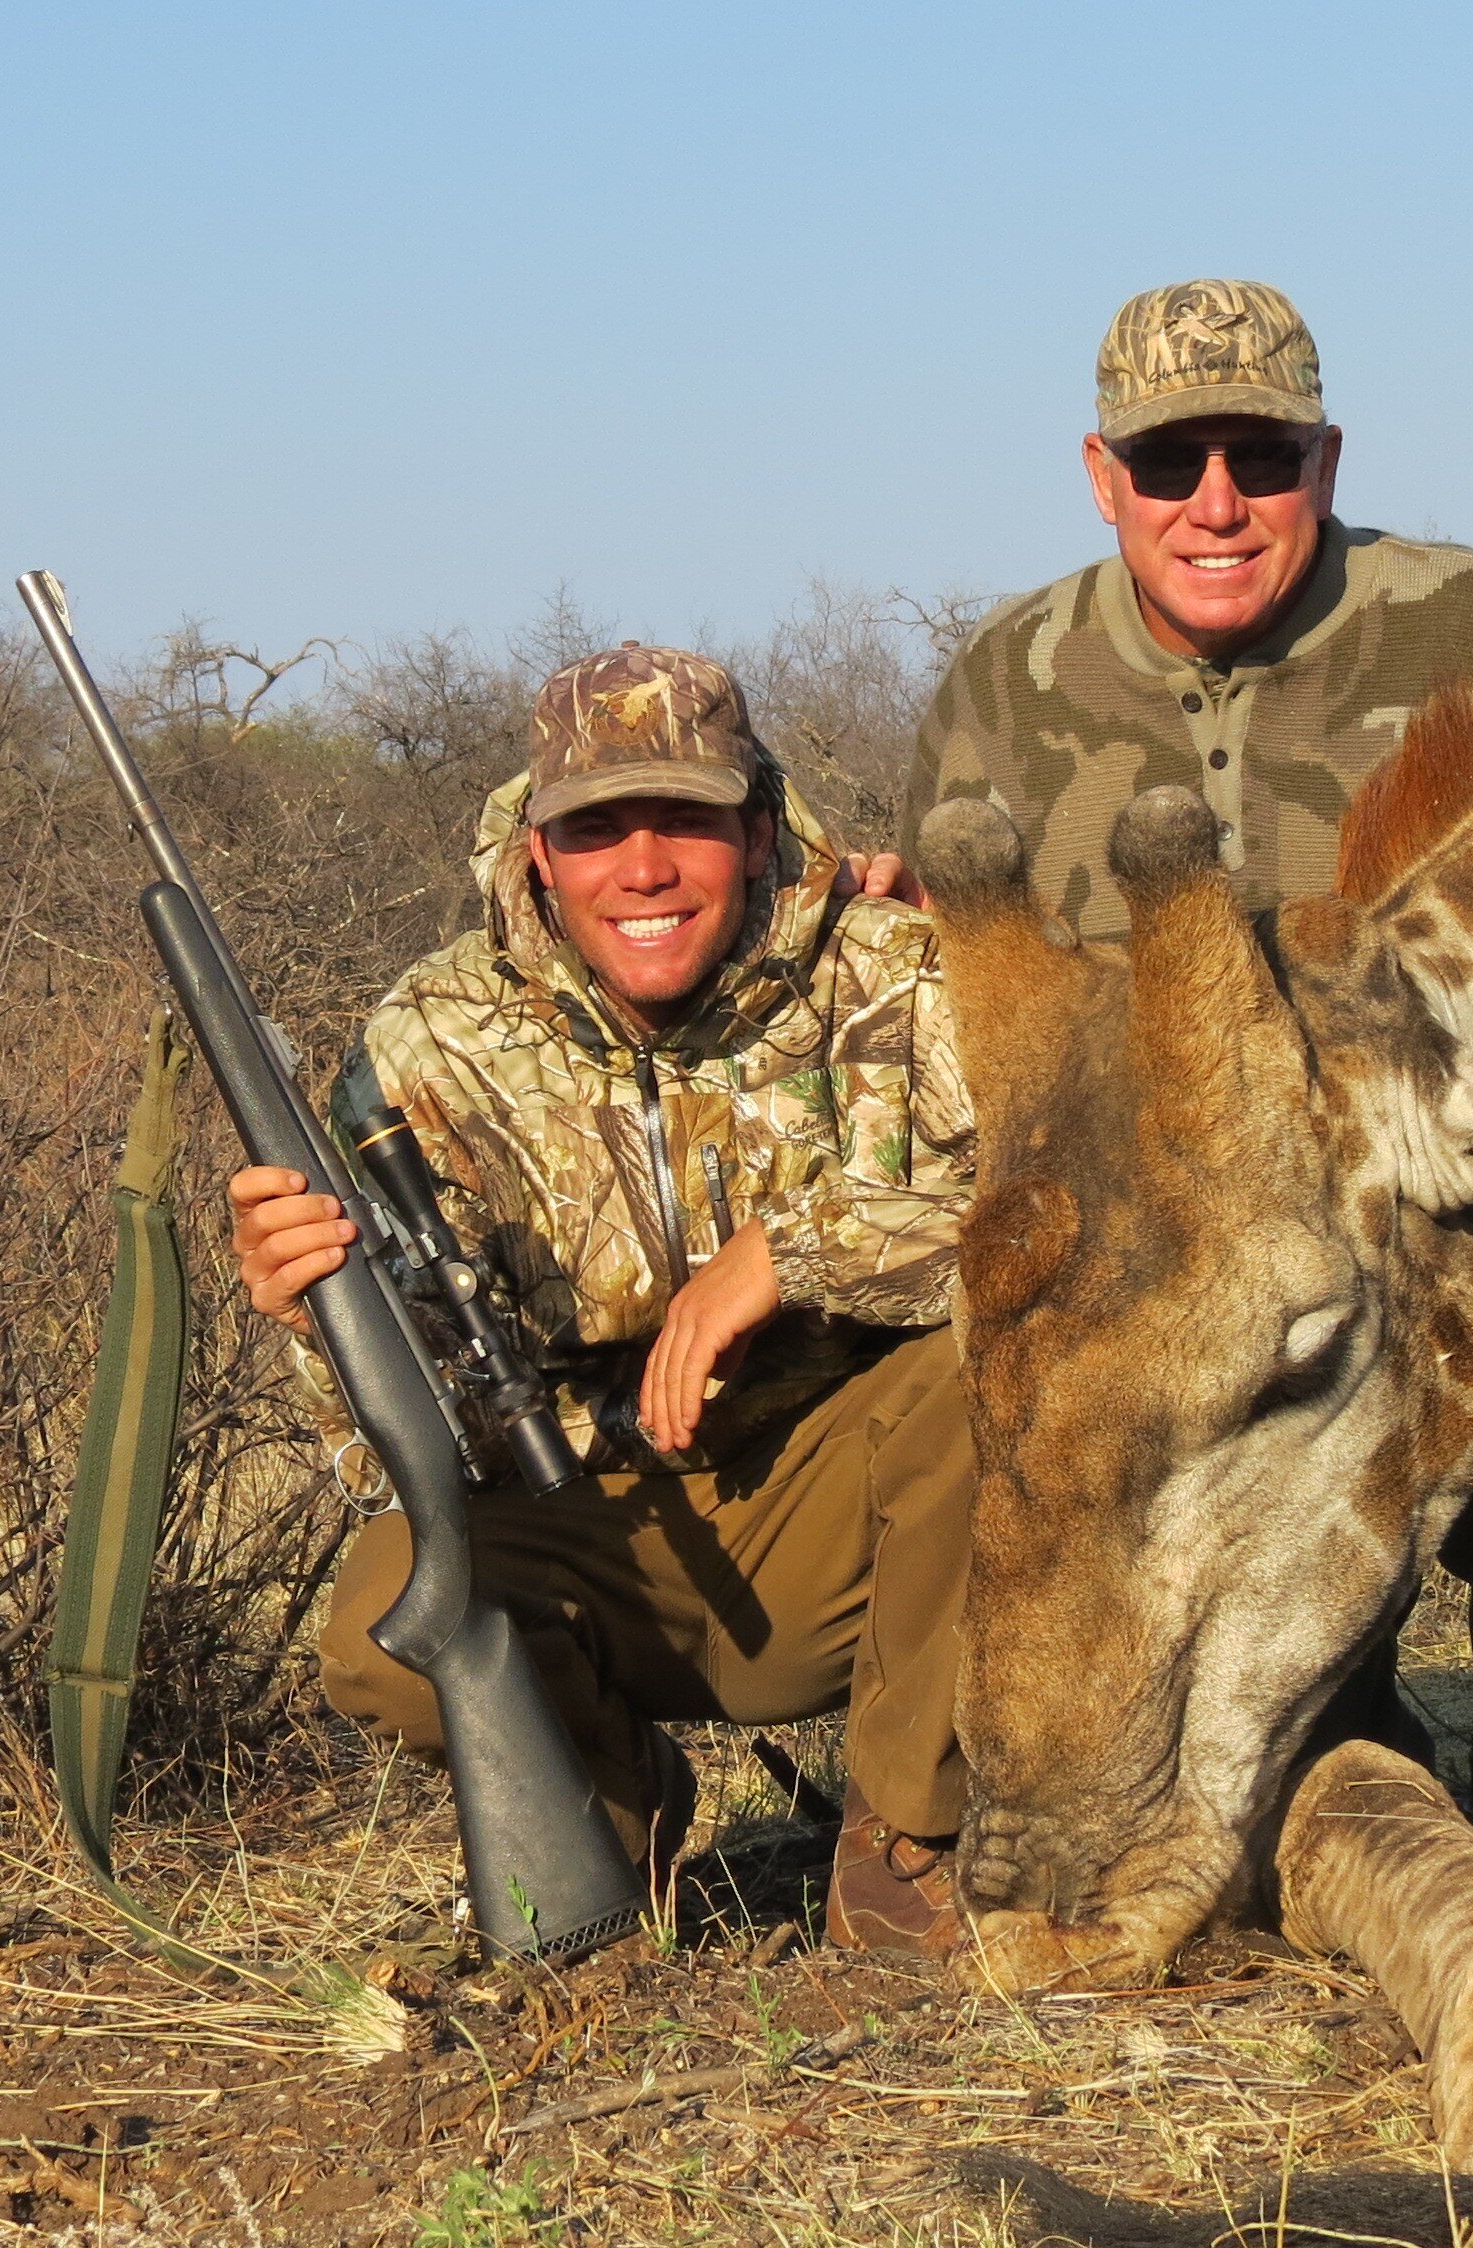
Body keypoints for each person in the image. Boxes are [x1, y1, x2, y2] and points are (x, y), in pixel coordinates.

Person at [914, 277, 1473, 1838]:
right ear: (1104, 479)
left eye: (1264, 457)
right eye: (1171, 467)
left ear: (1330, 460)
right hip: (1168, 1227)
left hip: (1432, 1180)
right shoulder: (999, 682)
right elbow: (986, 995)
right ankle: (1069, 1780)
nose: (1218, 504)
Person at [235, 644, 977, 1953]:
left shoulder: (896, 967)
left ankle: (910, 1831)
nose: (641, 869)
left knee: (1012, 1373)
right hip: (588, 1523)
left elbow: (1064, 1230)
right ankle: (603, 1820)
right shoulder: (431, 1035)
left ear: (756, 832)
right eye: (594, 831)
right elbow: (397, 1442)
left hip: (837, 1515)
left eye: (685, 820)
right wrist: (317, 1320)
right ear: (535, 852)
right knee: (386, 1618)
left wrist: (795, 1251)